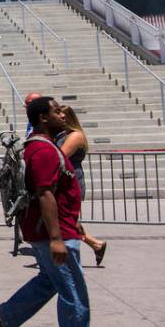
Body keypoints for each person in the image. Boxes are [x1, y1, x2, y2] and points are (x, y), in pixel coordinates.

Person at [0, 97, 89, 327]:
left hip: (53, 227)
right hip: (53, 233)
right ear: (43, 118)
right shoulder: (43, 150)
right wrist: (57, 238)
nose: (62, 115)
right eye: (56, 111)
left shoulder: (40, 147)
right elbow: (44, 194)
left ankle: (5, 317)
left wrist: (71, 219)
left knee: (50, 280)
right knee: (74, 295)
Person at [57, 104, 107, 265]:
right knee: (66, 220)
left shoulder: (75, 135)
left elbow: (60, 156)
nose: (58, 118)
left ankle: (72, 257)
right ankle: (95, 244)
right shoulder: (60, 135)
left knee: (66, 220)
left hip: (72, 181)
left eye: (61, 116)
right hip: (61, 181)